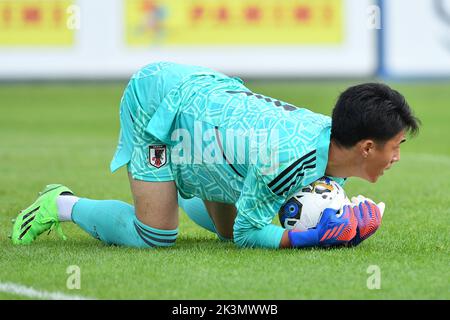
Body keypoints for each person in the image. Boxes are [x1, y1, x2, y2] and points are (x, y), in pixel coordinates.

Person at [11, 62, 420, 249]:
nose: (397, 157)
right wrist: (311, 238)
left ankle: (175, 187)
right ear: (366, 147)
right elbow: (248, 234)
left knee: (227, 226)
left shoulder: (331, 139)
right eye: (396, 145)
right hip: (158, 101)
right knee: (156, 235)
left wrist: (342, 220)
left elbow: (247, 221)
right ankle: (59, 204)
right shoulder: (287, 159)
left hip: (209, 103)